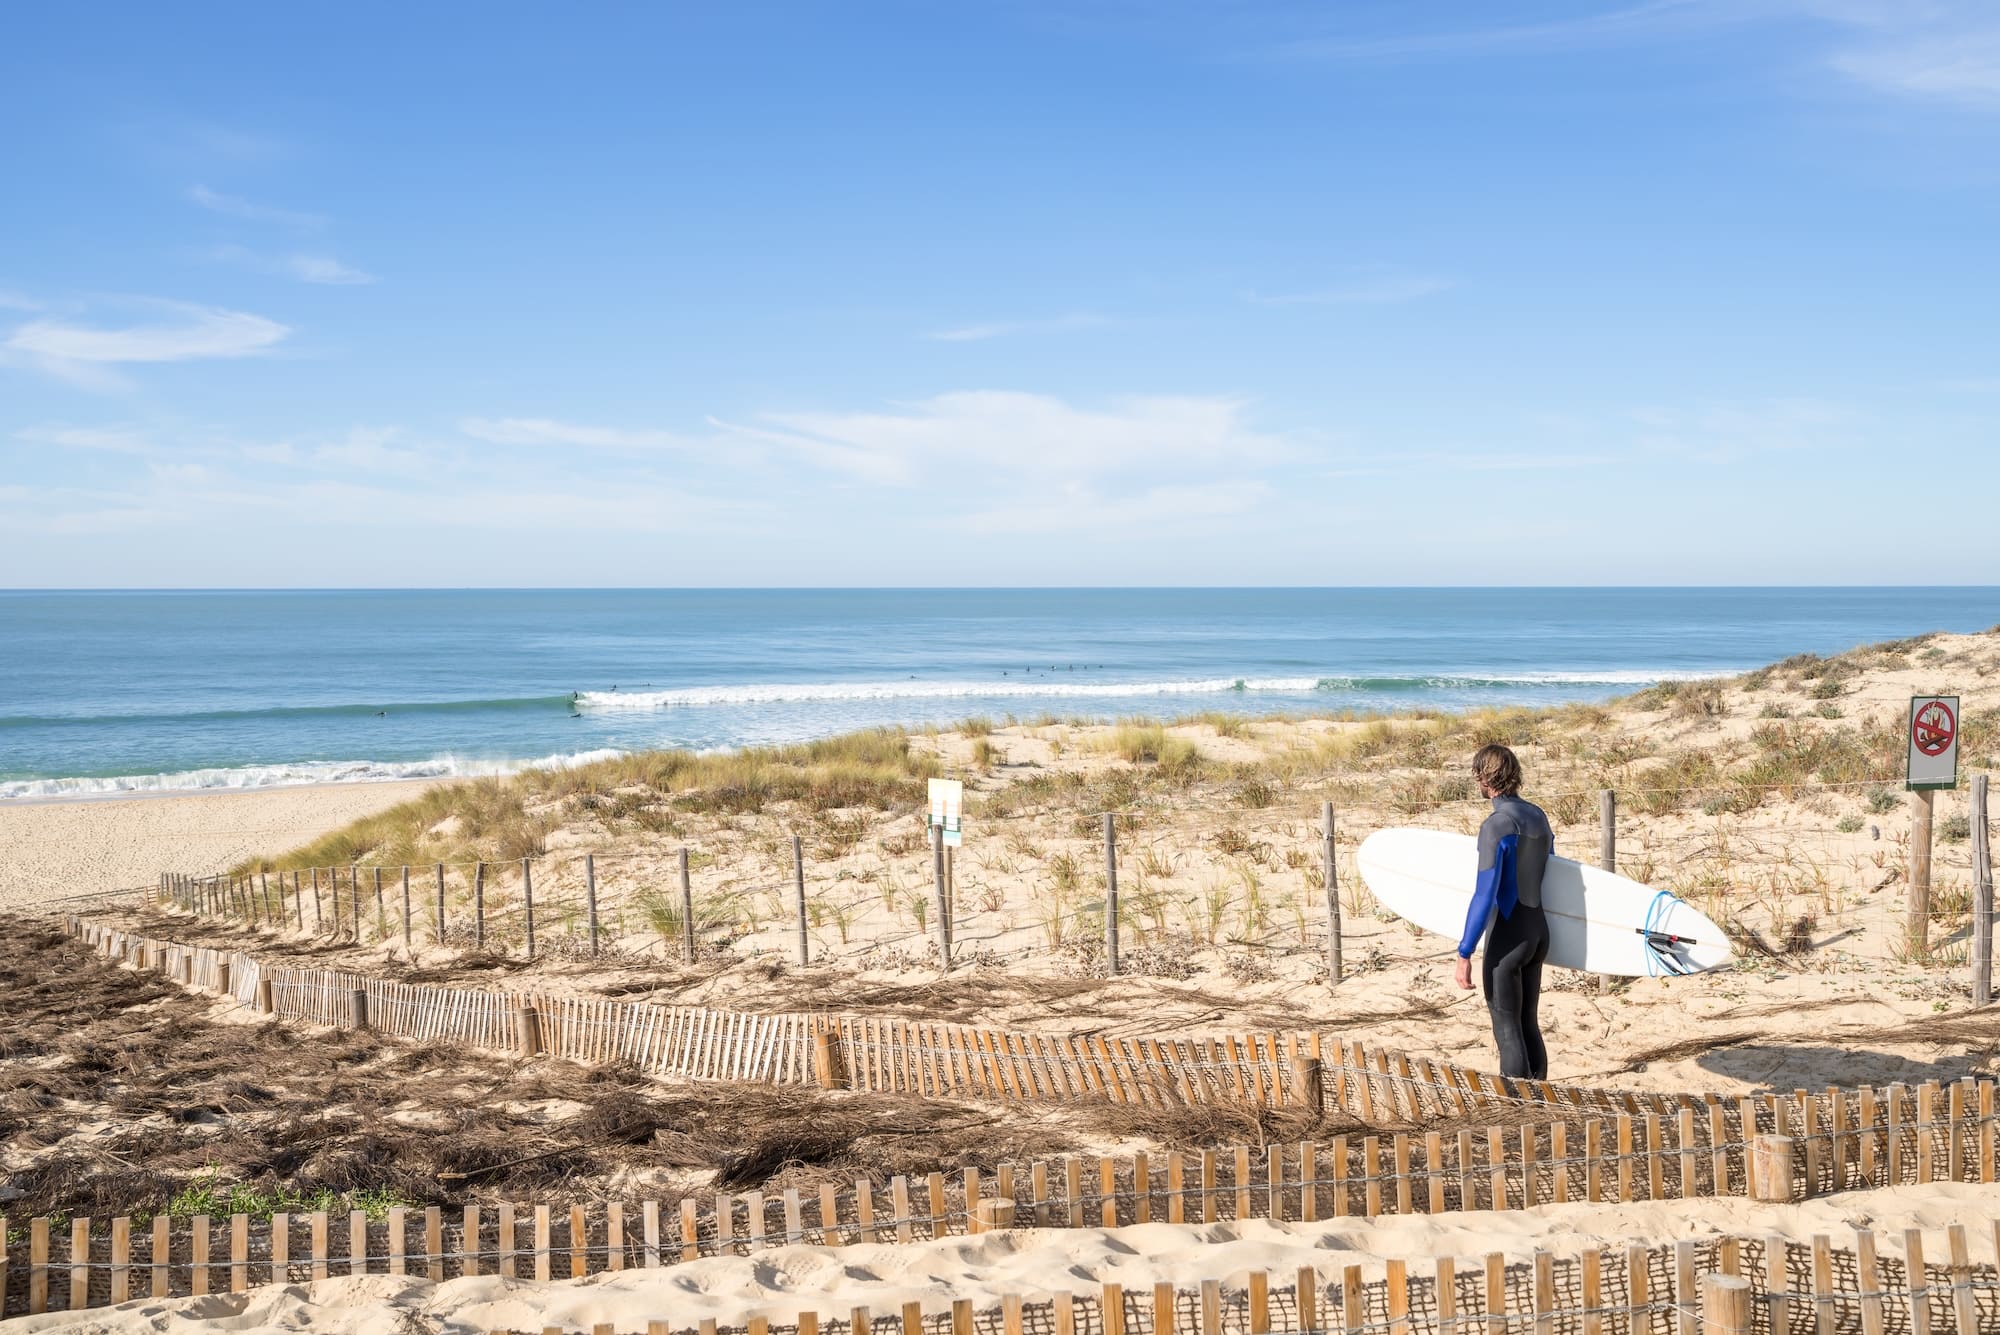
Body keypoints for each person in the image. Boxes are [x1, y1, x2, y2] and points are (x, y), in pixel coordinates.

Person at [1452, 743, 1553, 1080]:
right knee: (1528, 1023)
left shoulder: (1496, 825)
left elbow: (1484, 895)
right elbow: (1551, 870)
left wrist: (1464, 952)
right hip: (1537, 933)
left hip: (1508, 939)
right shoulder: (1538, 815)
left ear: (1484, 777)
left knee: (1507, 1030)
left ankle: (1516, 1105)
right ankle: (1541, 1100)